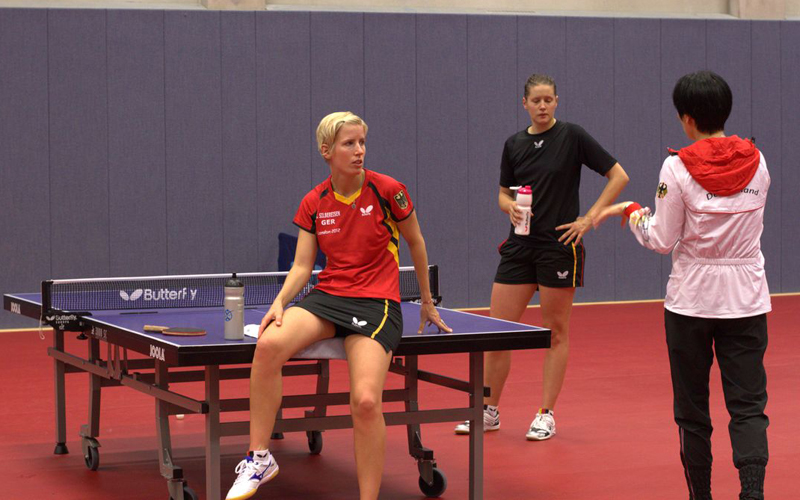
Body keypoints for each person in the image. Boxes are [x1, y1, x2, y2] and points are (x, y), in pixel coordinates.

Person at [225, 111, 451, 500]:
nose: (359, 151)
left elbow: (416, 242)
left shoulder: (388, 190)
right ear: (327, 151)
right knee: (268, 344)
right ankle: (259, 457)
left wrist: (427, 301)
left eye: (362, 142)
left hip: (377, 302)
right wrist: (279, 303)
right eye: (349, 143)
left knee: (364, 401)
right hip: (328, 297)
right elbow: (301, 266)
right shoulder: (314, 202)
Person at [594, 71, 770, 500]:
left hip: (691, 301)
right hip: (746, 300)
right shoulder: (758, 161)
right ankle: (752, 492)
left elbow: (661, 238)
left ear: (687, 119)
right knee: (748, 407)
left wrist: (634, 212)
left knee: (693, 411)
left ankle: (701, 496)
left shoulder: (676, 167)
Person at [455, 74, 629, 440]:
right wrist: (509, 209)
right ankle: (488, 410)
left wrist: (589, 218)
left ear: (557, 102)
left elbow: (618, 176)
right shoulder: (514, 144)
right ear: (524, 104)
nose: (543, 106)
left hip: (559, 246)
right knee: (498, 332)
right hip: (519, 248)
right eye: (536, 100)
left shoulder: (573, 136)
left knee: (555, 332)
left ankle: (546, 413)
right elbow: (503, 194)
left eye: (549, 100)